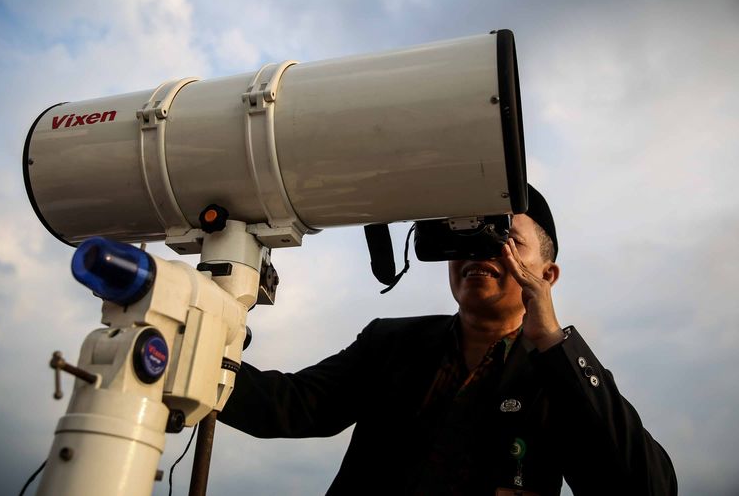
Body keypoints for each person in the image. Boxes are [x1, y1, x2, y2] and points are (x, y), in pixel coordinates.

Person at [218, 186, 678, 495]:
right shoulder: (390, 342)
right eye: (465, 237)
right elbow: (289, 405)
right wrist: (188, 357)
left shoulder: (564, 378)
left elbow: (646, 486)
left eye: (503, 239)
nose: (478, 251)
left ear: (547, 274)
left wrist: (553, 342)